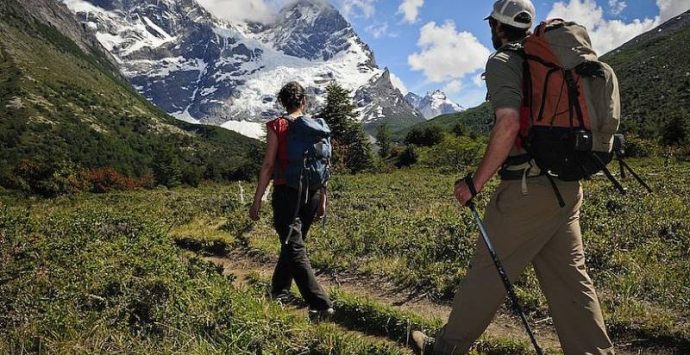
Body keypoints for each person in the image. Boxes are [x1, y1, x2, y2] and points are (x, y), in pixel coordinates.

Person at [411, 0, 615, 354]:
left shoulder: (504, 60)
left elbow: (508, 122)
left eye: (491, 24)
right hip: (566, 185)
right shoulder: (553, 61)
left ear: (497, 27)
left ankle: (445, 349)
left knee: (486, 273)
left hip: (526, 189)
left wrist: (475, 183)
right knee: (571, 280)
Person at [249, 81, 334, 318]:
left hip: (287, 193)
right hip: (313, 193)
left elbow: (268, 165)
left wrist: (257, 200)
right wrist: (323, 199)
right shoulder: (317, 127)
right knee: (292, 245)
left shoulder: (278, 125)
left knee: (294, 247)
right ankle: (279, 291)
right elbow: (325, 166)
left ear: (282, 102)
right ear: (304, 101)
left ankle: (319, 303)